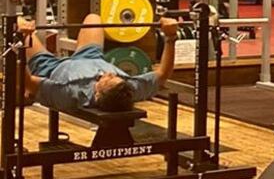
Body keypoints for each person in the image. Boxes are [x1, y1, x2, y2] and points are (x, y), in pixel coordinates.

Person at [17, 14, 179, 113]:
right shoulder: (128, 90)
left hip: (52, 68)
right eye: (115, 76)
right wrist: (171, 37)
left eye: (105, 80)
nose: (107, 74)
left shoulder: (70, 93)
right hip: (91, 57)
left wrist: (20, 44)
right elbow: (163, 74)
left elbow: (29, 83)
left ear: (97, 94)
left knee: (18, 23)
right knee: (93, 18)